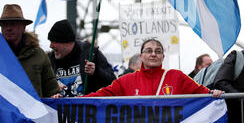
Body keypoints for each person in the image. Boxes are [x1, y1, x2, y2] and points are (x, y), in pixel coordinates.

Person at [85, 38, 222, 98]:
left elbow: (201, 92)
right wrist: (73, 101)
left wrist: (214, 93)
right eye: (149, 50)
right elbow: (101, 96)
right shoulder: (126, 80)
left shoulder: (176, 76)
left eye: (158, 51)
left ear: (163, 57)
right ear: (141, 56)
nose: (153, 54)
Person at [0, 4, 60, 98]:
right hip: (1, 112)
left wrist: (55, 96)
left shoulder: (38, 55)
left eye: (12, 24)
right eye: (4, 25)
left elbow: (52, 91)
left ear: (23, 27)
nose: (8, 28)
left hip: (34, 112)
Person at [48, 19, 116, 97]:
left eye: (54, 42)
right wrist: (51, 89)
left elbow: (112, 81)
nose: (51, 46)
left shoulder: (90, 53)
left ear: (68, 43)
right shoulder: (50, 59)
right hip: (58, 108)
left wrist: (96, 72)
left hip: (86, 108)